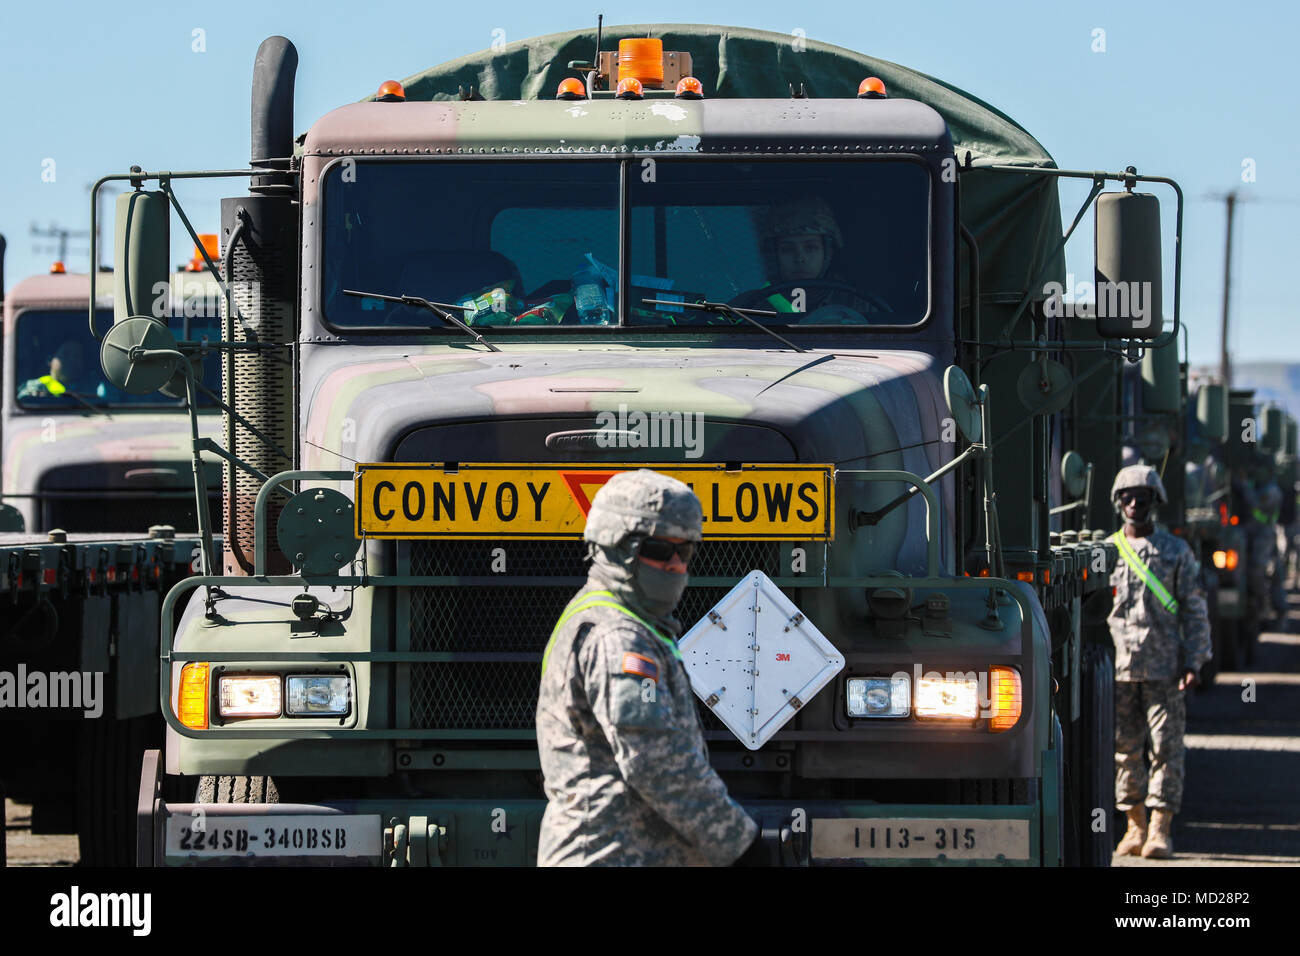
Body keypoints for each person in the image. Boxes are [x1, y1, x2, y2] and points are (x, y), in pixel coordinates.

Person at [535, 469, 759, 866]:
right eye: (658, 549)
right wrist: (740, 844)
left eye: (685, 551)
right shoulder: (617, 636)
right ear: (617, 547)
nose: (675, 564)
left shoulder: (635, 625)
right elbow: (653, 758)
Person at [1108, 464, 1212, 859]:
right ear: (1118, 502)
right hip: (1119, 669)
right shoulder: (1107, 551)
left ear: (1156, 502)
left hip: (1165, 668)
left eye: (1144, 497)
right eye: (1128, 497)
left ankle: (1160, 829)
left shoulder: (1175, 552)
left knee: (1166, 749)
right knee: (1125, 749)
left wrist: (1195, 661)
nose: (1135, 503)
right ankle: (1133, 826)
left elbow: (1194, 608)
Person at [730, 196, 886, 321]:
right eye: (787, 249)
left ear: (828, 252)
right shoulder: (748, 306)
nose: (800, 258)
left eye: (810, 248)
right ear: (774, 254)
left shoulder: (859, 303)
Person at [16, 341, 84, 399]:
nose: (72, 360)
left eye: (77, 356)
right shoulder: (34, 388)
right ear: (50, 359)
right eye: (66, 354)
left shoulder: (91, 391)